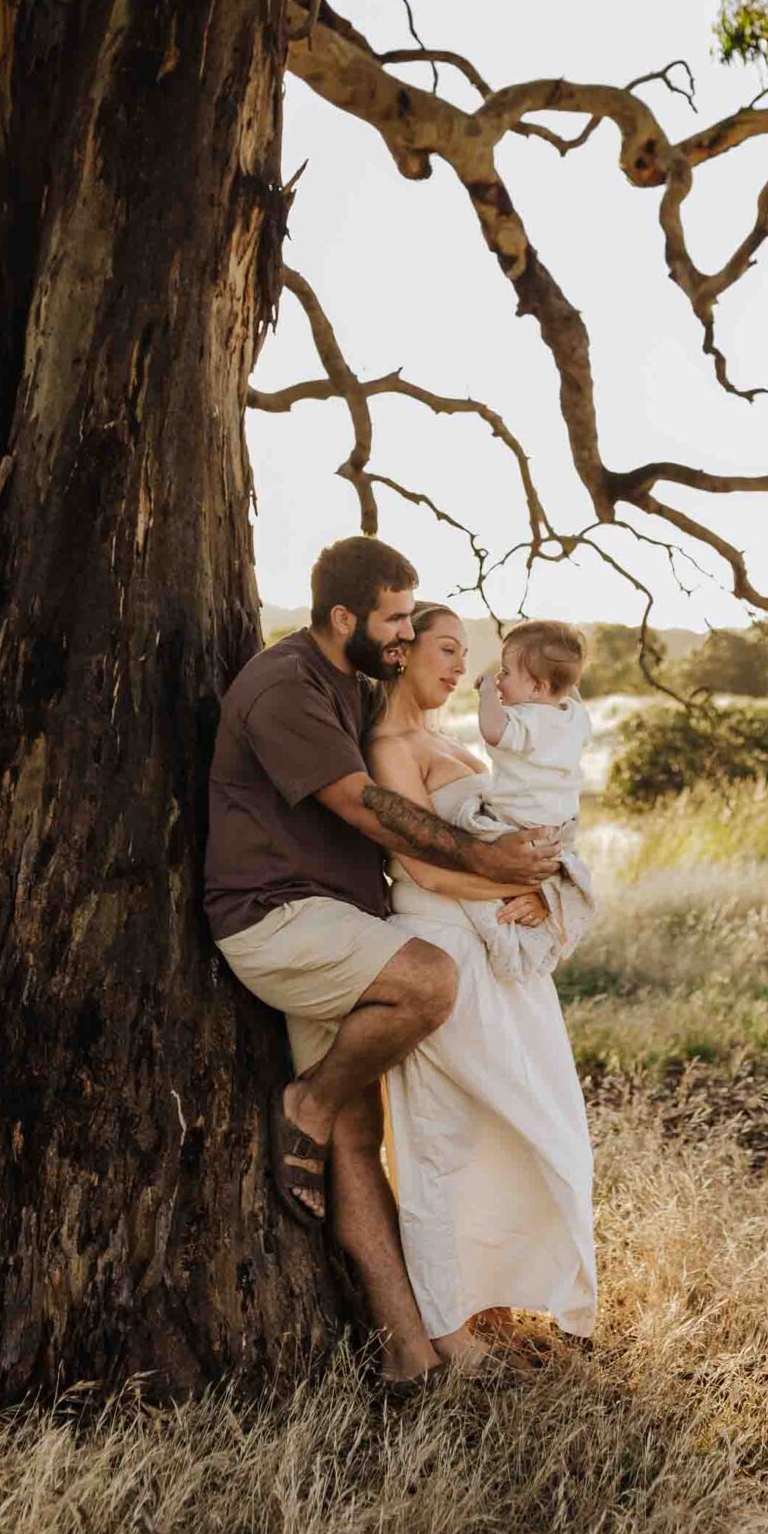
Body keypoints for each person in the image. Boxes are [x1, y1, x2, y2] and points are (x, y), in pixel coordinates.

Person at [206, 536, 559, 1387]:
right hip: (277, 920)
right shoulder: (284, 686)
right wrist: (488, 864)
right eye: (396, 619)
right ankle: (308, 1101)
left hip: (337, 928)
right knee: (429, 981)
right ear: (342, 618)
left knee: (360, 1145)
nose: (404, 633)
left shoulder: (348, 682)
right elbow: (366, 808)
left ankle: (408, 1351)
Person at [368, 604, 598, 1367]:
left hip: (498, 949)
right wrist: (503, 888)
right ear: (400, 655)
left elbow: (526, 823)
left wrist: (546, 893)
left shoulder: (448, 741)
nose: (461, 667)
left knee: (527, 1125)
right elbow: (422, 866)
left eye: (468, 651)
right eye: (444, 649)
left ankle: (495, 1290)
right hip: (445, 943)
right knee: (441, 1135)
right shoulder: (390, 744)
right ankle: (445, 1326)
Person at [455, 620, 597, 981]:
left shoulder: (526, 720)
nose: (499, 678)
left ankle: (501, 954)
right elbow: (570, 695)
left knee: (466, 831)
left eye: (505, 672)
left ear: (537, 687)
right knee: (537, 888)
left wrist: (486, 692)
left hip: (516, 822)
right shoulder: (575, 717)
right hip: (560, 830)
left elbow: (494, 730)